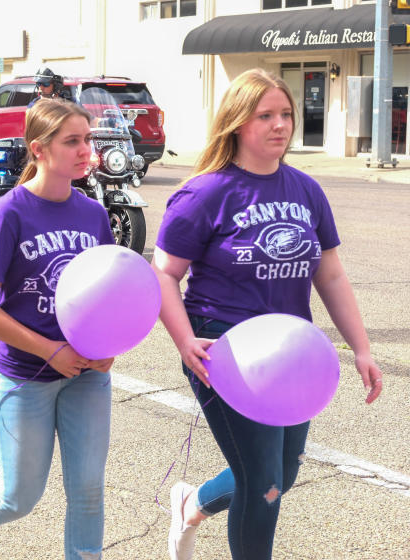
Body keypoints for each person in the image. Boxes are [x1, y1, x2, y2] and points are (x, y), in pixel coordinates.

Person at [151, 68, 383, 560]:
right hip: (224, 348)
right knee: (264, 483)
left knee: (284, 473)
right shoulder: (205, 193)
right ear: (237, 123)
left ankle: (192, 504)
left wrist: (361, 347)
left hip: (290, 352)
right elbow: (164, 274)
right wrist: (184, 340)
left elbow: (331, 275)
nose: (280, 125)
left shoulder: (306, 189)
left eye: (286, 114)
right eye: (265, 116)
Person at [0, 98, 116, 560]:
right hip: (25, 374)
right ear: (38, 149)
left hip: (88, 374)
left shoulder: (94, 214)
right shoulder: (7, 215)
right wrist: (49, 350)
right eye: (72, 141)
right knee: (18, 497)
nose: (85, 151)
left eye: (88, 140)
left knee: (88, 491)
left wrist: (110, 348)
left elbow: (112, 293)